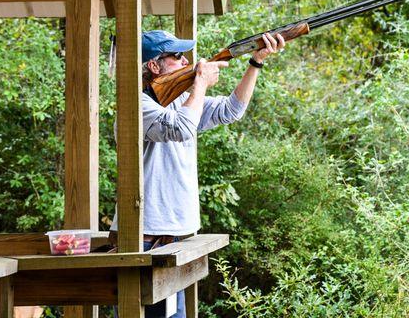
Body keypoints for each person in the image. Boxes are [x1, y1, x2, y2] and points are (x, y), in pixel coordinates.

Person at [110, 29, 285, 318]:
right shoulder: (136, 105)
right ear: (154, 65)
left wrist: (255, 62)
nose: (185, 61)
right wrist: (200, 84)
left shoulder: (180, 102)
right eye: (177, 56)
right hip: (145, 236)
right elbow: (179, 128)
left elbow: (231, 110)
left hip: (175, 234)